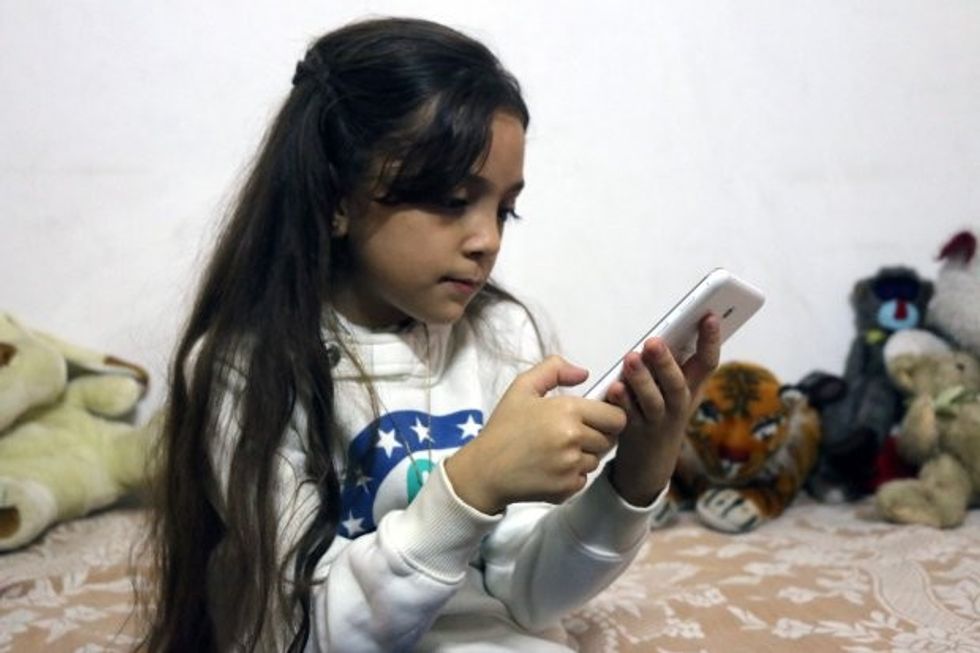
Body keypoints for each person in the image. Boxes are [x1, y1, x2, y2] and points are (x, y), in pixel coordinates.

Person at [143, 16, 721, 653]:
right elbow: (301, 634)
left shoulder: (502, 333)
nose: (488, 240)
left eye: (505, 209)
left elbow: (527, 595)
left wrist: (634, 478)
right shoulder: (246, 368)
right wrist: (472, 486)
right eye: (451, 199)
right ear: (337, 197)